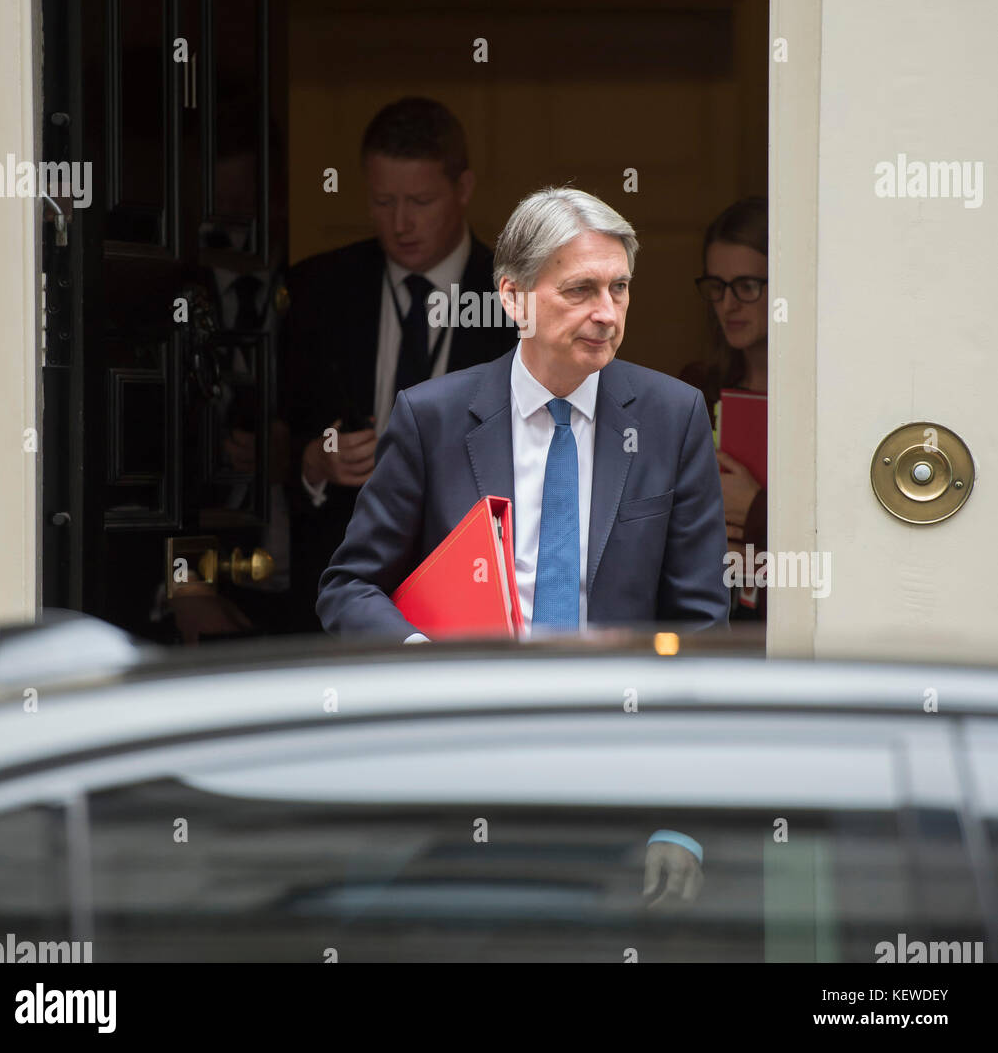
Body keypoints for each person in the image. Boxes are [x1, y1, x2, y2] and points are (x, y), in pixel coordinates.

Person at [318, 185, 729, 906]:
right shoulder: (432, 417)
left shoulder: (671, 417)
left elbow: (697, 630)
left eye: (619, 288)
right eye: (579, 290)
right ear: (513, 298)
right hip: (455, 770)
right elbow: (348, 587)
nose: (606, 313)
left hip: (617, 784)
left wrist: (680, 821)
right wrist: (423, 660)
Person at [281, 98, 517, 629]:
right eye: (383, 201)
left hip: (478, 583)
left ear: (464, 189)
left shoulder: (518, 299)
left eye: (421, 200)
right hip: (339, 582)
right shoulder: (317, 288)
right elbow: (269, 433)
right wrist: (313, 462)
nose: (402, 223)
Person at [679, 197, 768, 622]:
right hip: (714, 615)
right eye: (717, 286)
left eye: (747, 287)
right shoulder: (697, 388)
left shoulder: (828, 397)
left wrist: (756, 515)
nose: (728, 305)